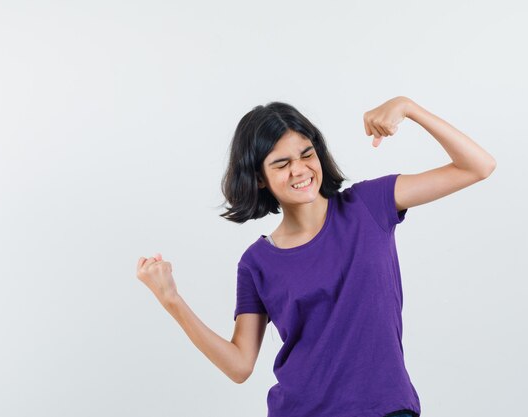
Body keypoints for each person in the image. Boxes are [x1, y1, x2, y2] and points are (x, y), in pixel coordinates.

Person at [136, 96, 496, 417]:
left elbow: (477, 166)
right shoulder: (257, 262)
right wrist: (172, 301)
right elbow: (240, 365)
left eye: (306, 154)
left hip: (385, 408)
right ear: (259, 178)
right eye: (280, 164)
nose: (299, 169)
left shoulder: (370, 205)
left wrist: (409, 107)